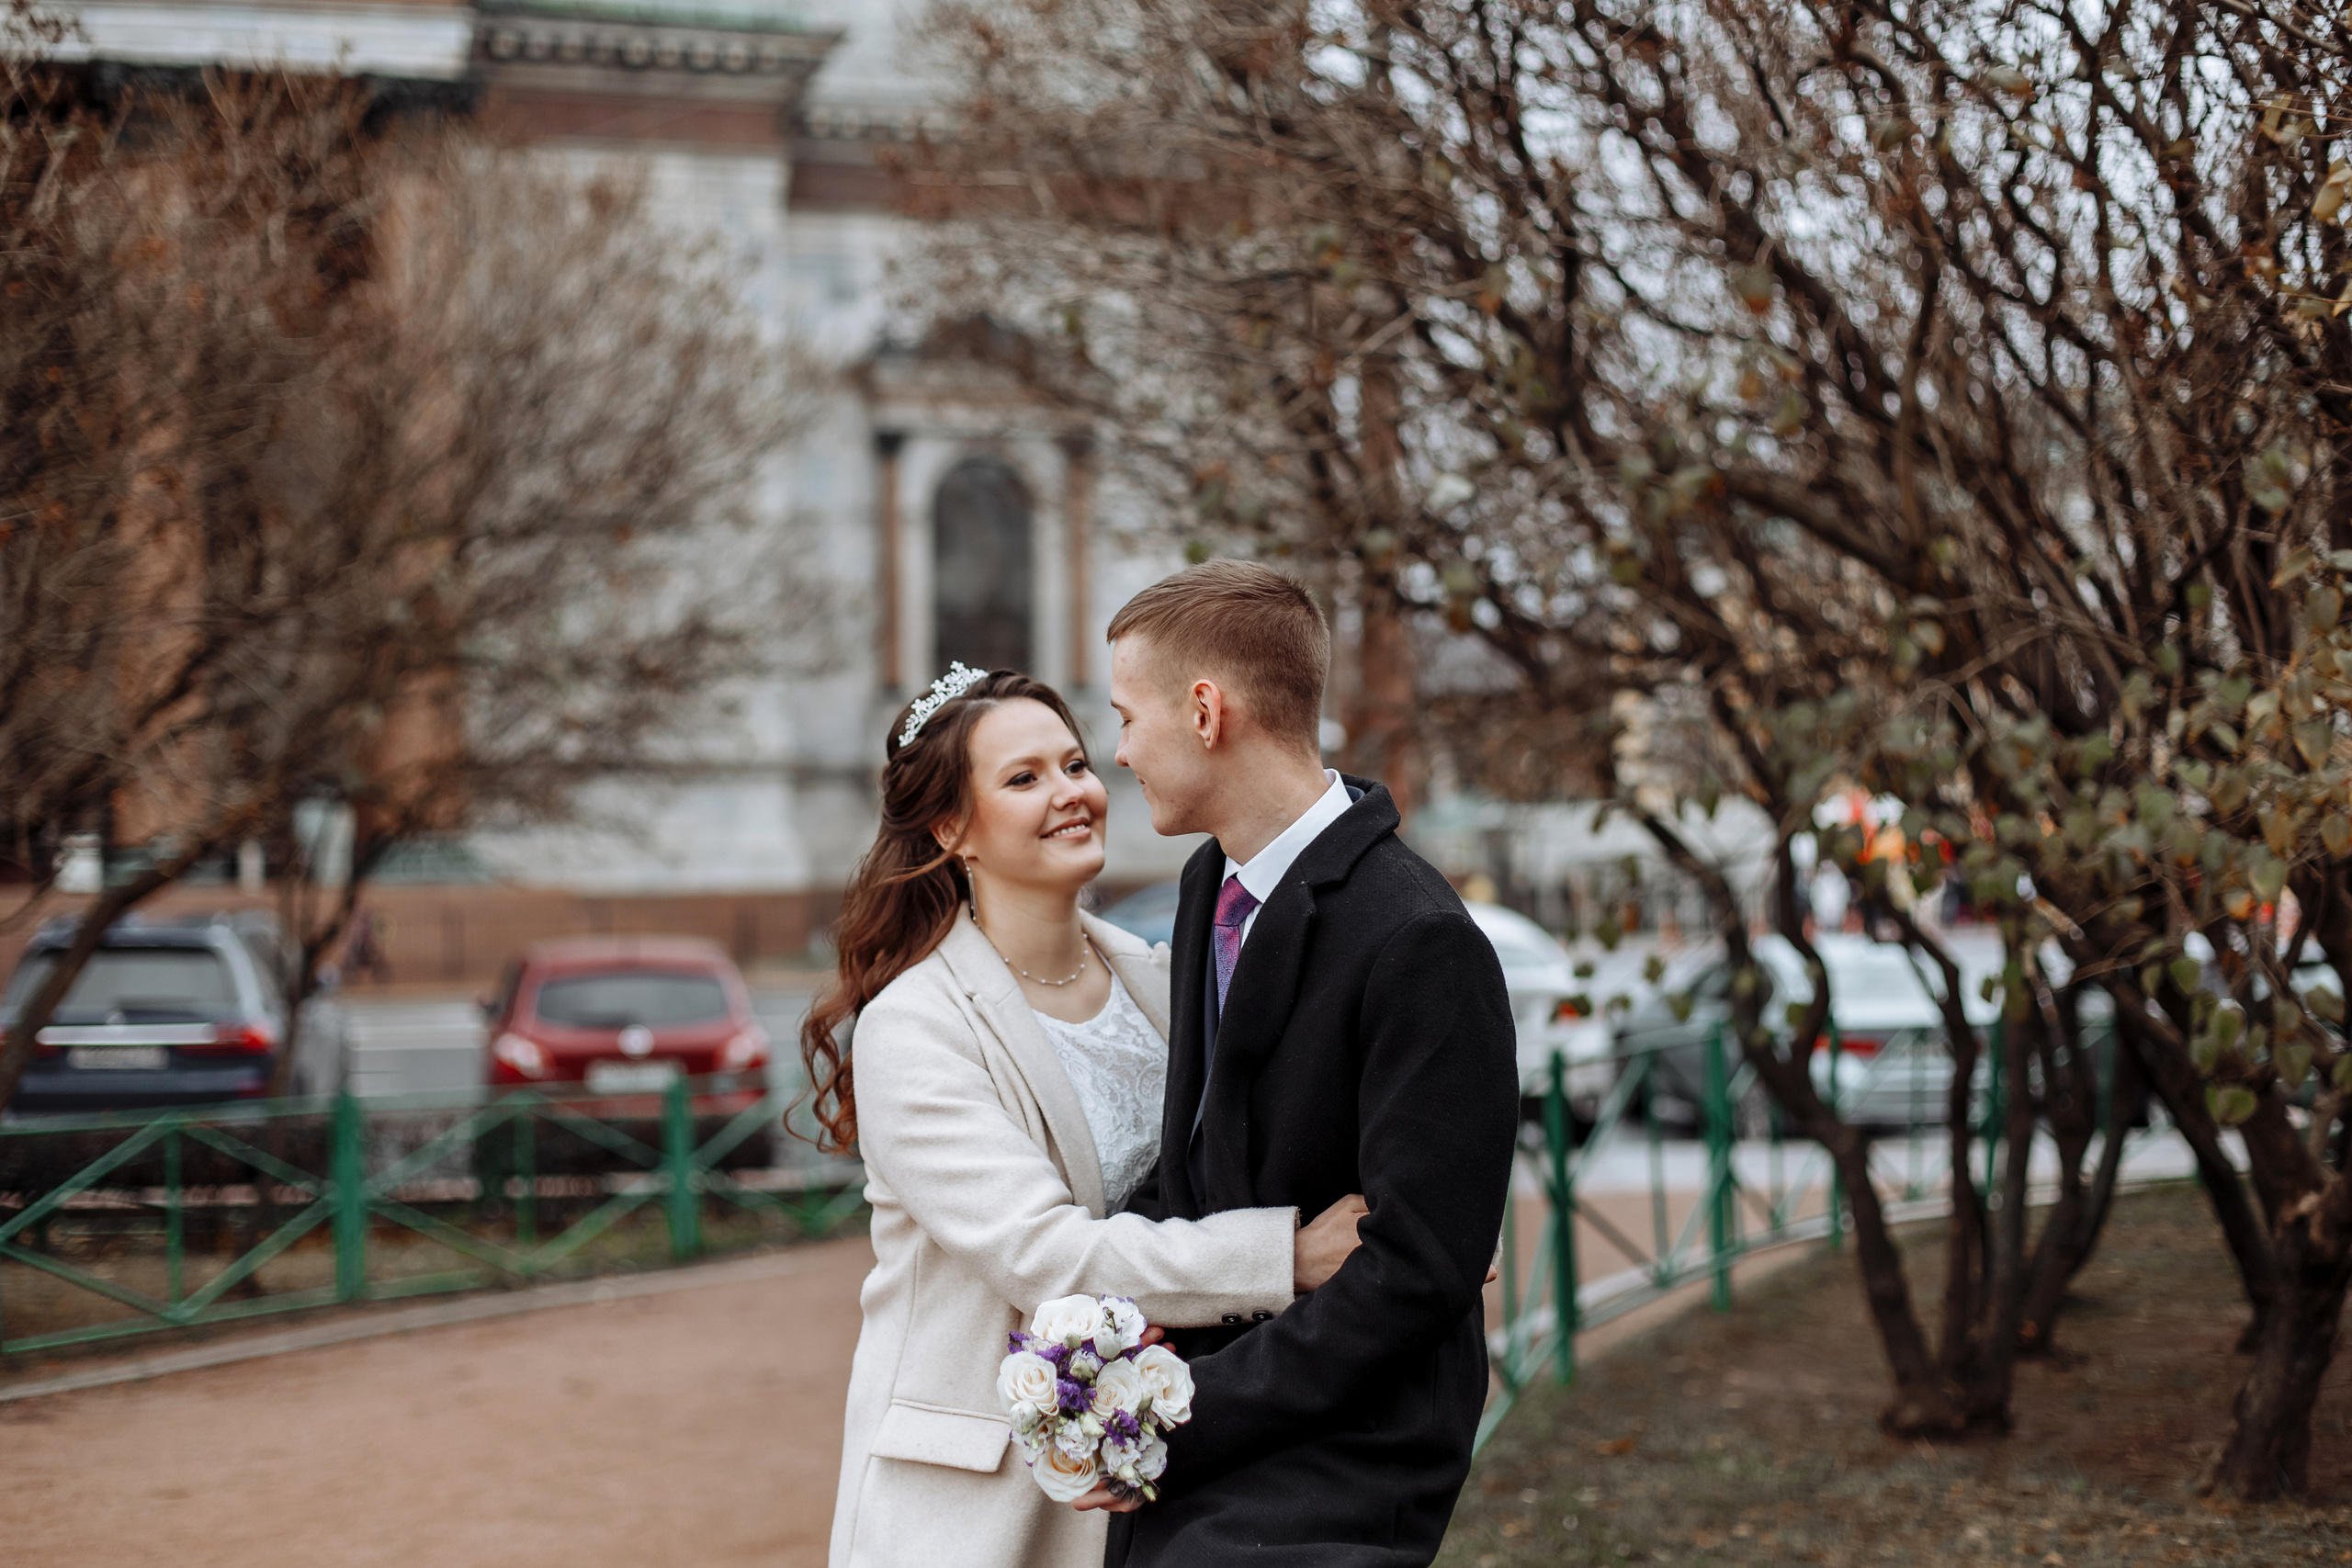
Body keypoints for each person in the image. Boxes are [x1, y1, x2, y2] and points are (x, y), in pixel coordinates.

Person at [810, 666, 1372, 1568]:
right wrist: (1287, 1256)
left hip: (1160, 1474)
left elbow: (1253, 1149)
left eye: (1074, 763)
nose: (1072, 793)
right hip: (973, 1505)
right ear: (952, 828)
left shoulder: (1158, 978)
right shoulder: (914, 1029)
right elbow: (1047, 1256)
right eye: (1024, 778)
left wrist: (1416, 1221)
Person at [1093, 562, 1519, 1567]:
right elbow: (1202, 1164)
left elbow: (1418, 1274)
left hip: (1348, 1456)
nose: (1117, 754)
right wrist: (1096, 1352)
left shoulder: (1419, 938)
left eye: (1123, 717)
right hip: (1214, 1429)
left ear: (1206, 711)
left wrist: (1181, 1413)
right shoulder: (1210, 885)